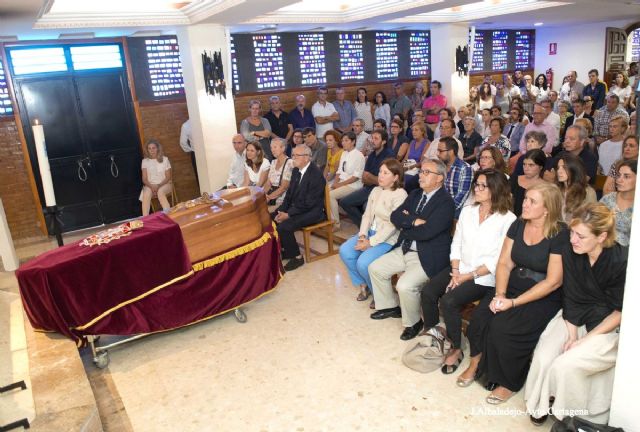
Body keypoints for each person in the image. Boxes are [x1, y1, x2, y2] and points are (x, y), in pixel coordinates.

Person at [459, 182, 567, 405]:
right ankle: (476, 363)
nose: (524, 204)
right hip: (512, 285)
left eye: (532, 201)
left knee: (503, 328)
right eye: (525, 198)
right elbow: (504, 263)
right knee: (480, 319)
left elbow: (553, 281)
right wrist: (500, 294)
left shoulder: (560, 233)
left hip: (542, 295)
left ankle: (510, 382)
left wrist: (514, 302)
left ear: (547, 209)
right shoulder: (518, 224)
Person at [525, 203, 627, 426]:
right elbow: (570, 295)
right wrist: (572, 335)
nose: (572, 240)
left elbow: (620, 312)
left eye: (580, 236)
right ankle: (541, 402)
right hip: (574, 314)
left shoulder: (621, 261)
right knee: (544, 356)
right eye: (572, 232)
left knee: (566, 365)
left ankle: (572, 417)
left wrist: (583, 341)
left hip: (607, 326)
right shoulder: (571, 251)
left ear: (601, 237)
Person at [421, 169, 516, 374]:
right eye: (476, 184)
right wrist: (456, 270)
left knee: (449, 301)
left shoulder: (508, 219)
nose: (477, 189)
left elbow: (499, 259)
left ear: (496, 189)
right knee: (428, 292)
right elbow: (456, 242)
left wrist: (467, 276)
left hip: (485, 277)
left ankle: (456, 347)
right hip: (460, 267)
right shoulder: (468, 211)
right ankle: (435, 335)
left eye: (483, 186)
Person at [369, 158, 455, 341]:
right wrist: (414, 221)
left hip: (427, 255)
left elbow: (428, 232)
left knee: (404, 285)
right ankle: (390, 307)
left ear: (439, 178)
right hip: (406, 247)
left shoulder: (446, 202)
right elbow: (395, 216)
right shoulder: (416, 194)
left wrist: (406, 224)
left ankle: (414, 323)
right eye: (421, 171)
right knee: (375, 268)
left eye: (426, 172)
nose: (420, 175)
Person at [339, 159, 407, 303]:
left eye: (385, 173)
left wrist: (370, 242)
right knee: (345, 251)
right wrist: (363, 235)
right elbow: (367, 215)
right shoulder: (376, 190)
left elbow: (392, 225)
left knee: (363, 263)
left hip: (388, 239)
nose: (380, 175)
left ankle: (379, 295)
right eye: (380, 172)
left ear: (395, 177)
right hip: (370, 233)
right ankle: (364, 284)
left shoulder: (400, 195)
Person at [273, 145, 326, 272]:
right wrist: (281, 210)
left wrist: (288, 214)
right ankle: (287, 250)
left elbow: (309, 203)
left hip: (313, 211)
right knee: (272, 218)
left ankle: (297, 257)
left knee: (284, 226)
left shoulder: (316, 174)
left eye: (296, 156)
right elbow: (289, 195)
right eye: (293, 155)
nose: (293, 158)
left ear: (306, 158)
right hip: (299, 207)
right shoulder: (296, 170)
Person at [339, 130, 394, 228]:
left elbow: (385, 181)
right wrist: (373, 178)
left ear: (384, 141)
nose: (372, 141)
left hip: (383, 189)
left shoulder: (389, 155)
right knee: (344, 202)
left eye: (376, 138)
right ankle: (364, 227)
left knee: (364, 206)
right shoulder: (372, 155)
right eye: (372, 138)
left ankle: (366, 228)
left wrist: (371, 177)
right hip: (368, 187)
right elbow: (364, 177)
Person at [329, 132, 366, 230]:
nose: (343, 143)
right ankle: (329, 219)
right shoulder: (344, 153)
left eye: (346, 140)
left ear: (353, 142)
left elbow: (356, 177)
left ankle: (336, 224)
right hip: (342, 182)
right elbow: (339, 171)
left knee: (330, 195)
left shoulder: (359, 155)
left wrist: (339, 185)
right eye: (342, 141)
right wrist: (335, 183)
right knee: (323, 190)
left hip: (353, 185)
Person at [600, 160, 636, 247]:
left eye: (626, 176)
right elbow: (595, 224)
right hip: (604, 246)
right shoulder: (608, 199)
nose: (619, 180)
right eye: (618, 175)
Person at [436, 136, 473, 218]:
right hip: (438, 205)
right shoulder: (439, 166)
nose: (437, 154)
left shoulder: (465, 168)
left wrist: (442, 210)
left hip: (454, 209)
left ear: (451, 152)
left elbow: (461, 197)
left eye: (440, 151)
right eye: (438, 150)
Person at [554, 153, 597, 223]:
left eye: (564, 168)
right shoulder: (555, 190)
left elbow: (592, 220)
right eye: (558, 167)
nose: (559, 171)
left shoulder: (588, 192)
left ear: (574, 169)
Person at [140, 139, 172, 216]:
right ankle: (145, 218)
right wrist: (152, 186)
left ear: (158, 148)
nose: (152, 150)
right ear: (147, 150)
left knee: (160, 191)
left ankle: (169, 215)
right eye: (149, 148)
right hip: (150, 185)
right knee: (146, 193)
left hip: (165, 184)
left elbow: (168, 177)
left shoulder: (165, 159)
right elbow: (144, 179)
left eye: (153, 148)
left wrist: (158, 186)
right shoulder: (145, 161)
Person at [511, 149, 546, 217]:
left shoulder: (545, 187)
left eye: (531, 165)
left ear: (540, 167)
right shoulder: (514, 179)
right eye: (524, 164)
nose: (526, 168)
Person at [264, 138, 293, 208]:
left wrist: (269, 197)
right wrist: (262, 195)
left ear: (283, 148)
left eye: (275, 147)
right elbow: (268, 183)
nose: (272, 150)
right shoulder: (273, 162)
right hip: (271, 198)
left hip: (283, 200)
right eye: (271, 147)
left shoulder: (290, 163)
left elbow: (284, 187)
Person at [179, 119, 198, 184]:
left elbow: (182, 142)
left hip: (196, 153)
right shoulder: (207, 120)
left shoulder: (186, 125)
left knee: (200, 177)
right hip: (210, 151)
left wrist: (191, 150)